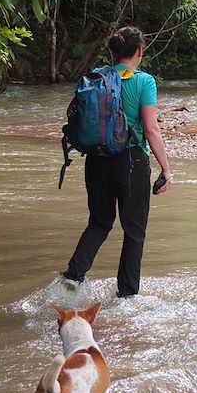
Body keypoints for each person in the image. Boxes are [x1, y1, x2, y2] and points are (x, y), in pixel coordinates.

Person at [61, 26, 172, 297]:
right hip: (131, 161)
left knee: (99, 222)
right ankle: (127, 296)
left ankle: (72, 277)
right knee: (134, 231)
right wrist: (166, 169)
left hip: (96, 160)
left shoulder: (96, 78)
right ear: (140, 51)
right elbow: (150, 129)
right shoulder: (144, 82)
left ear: (113, 52)